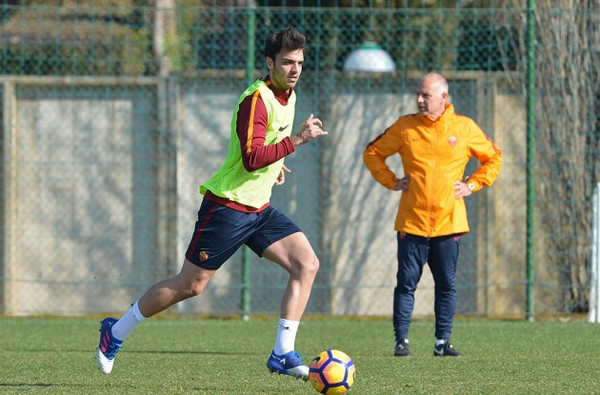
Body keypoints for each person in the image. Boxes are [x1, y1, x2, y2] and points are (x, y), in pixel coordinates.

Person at [96, 27, 327, 380]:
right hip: (229, 207)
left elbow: (267, 149)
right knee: (190, 285)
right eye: (287, 62)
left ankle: (282, 353)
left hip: (259, 209)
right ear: (269, 63)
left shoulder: (289, 94)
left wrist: (278, 165)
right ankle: (116, 331)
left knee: (306, 264)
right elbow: (251, 157)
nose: (295, 69)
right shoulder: (256, 99)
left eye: (299, 62)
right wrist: (296, 141)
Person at [363, 73, 502, 357]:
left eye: (425, 95)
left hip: (449, 223)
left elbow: (494, 157)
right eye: (418, 94)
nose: (419, 100)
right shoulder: (405, 127)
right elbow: (373, 152)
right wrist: (392, 181)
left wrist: (472, 185)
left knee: (447, 285)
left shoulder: (464, 128)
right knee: (406, 283)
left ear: (443, 98)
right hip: (412, 222)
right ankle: (401, 341)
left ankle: (442, 342)